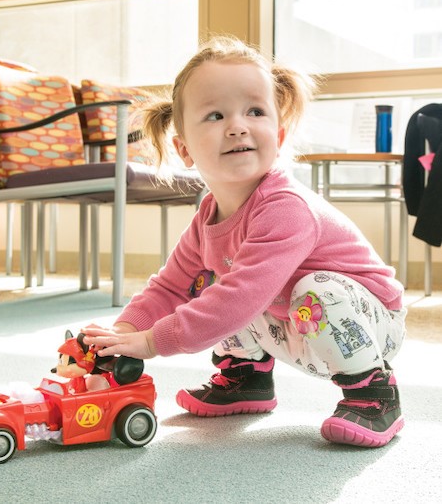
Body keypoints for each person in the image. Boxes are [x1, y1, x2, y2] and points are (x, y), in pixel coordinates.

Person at [82, 36, 406, 448]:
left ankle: (373, 393)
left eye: (255, 111)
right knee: (212, 281)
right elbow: (169, 286)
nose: (237, 126)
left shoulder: (285, 207)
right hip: (298, 320)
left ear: (279, 134)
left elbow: (243, 297)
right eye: (216, 115)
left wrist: (151, 342)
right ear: (184, 149)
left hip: (370, 326)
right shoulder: (209, 215)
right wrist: (119, 335)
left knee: (287, 290)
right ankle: (246, 377)